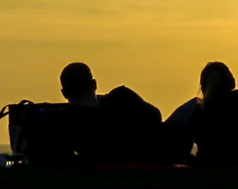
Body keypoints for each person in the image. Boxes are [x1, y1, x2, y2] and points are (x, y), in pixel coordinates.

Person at [38, 63, 180, 167]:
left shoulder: (61, 122)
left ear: (64, 93)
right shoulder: (123, 98)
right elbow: (156, 116)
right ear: (94, 84)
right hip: (142, 155)